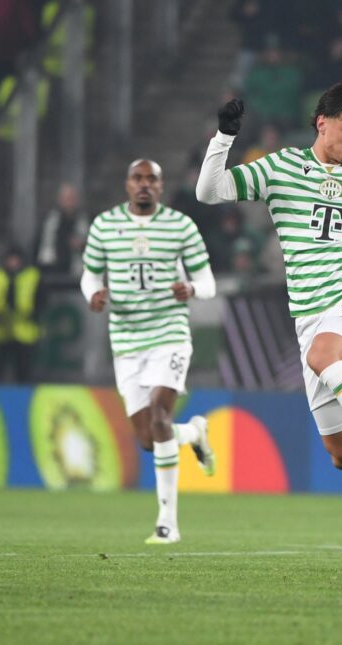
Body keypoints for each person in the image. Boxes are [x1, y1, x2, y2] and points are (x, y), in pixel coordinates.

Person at [194, 84, 342, 543]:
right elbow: (210, 192)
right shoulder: (282, 168)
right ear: (322, 123)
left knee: (324, 357)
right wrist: (224, 138)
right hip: (311, 317)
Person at [80, 159, 218, 545]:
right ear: (127, 184)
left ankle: (167, 524)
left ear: (161, 186)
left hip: (168, 334)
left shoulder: (181, 226)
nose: (144, 185)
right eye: (137, 178)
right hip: (126, 340)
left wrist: (191, 289)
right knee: (147, 438)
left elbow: (208, 281)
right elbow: (90, 274)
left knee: (159, 416)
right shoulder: (105, 225)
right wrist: (93, 293)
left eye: (151, 179)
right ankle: (194, 433)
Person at [0, 247, 41, 382]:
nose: (13, 263)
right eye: (10, 259)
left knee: (23, 370)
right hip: (1, 330)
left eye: (15, 259)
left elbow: (41, 299)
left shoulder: (32, 276)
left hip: (25, 331)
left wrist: (34, 315)